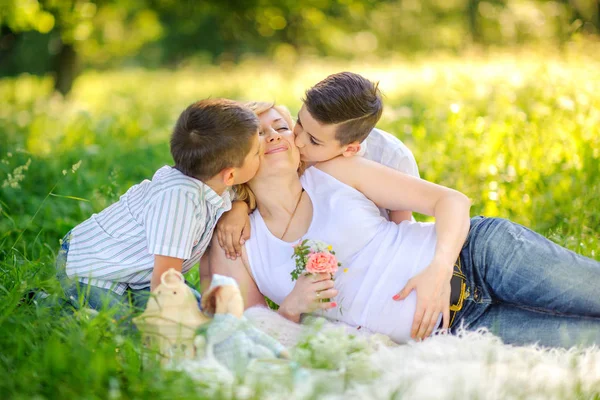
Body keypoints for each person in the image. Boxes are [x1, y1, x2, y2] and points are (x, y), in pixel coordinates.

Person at [209, 103, 600, 349]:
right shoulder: (235, 241)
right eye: (258, 133)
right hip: (458, 328)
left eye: (280, 126)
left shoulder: (333, 172)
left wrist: (438, 269)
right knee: (589, 344)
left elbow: (450, 200)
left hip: (478, 256)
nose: (274, 135)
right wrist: (292, 307)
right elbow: (244, 339)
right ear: (236, 159)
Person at [55, 99, 262, 316]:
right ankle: (48, 305)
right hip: (92, 268)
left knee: (203, 314)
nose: (262, 152)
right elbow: (165, 279)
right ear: (229, 174)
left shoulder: (213, 181)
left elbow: (239, 196)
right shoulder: (179, 201)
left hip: (140, 276)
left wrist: (239, 207)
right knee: (128, 329)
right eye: (257, 152)